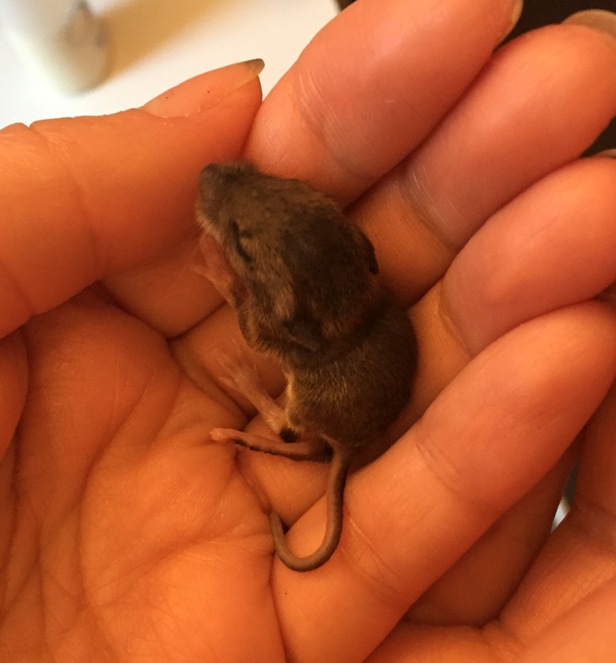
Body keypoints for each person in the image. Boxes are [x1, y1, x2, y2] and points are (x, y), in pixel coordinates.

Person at [1, 1, 616, 660]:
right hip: (378, 357)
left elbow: (263, 334)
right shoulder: (350, 257)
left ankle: (283, 427)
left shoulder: (288, 324)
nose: (221, 184)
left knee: (306, 417)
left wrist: (231, 296)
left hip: (345, 391)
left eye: (239, 240)